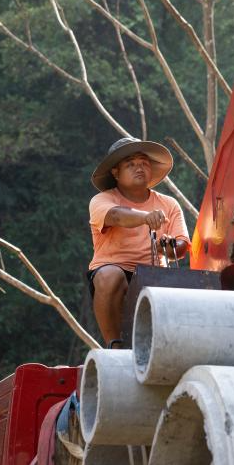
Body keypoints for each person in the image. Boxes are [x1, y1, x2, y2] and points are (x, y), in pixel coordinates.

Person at [88, 136, 190, 347]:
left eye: (144, 163)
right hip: (115, 271)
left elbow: (181, 248)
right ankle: (114, 345)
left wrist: (168, 247)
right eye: (131, 164)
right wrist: (145, 217)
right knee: (109, 275)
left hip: (154, 276)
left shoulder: (169, 204)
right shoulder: (102, 200)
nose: (139, 168)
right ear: (115, 172)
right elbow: (115, 216)